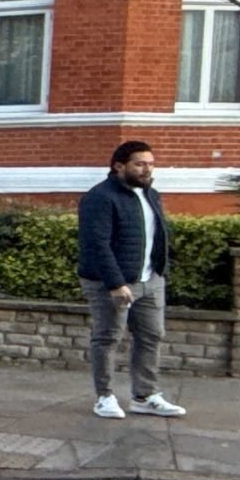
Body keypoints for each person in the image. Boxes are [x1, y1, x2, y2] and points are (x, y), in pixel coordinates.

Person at [76, 139, 187, 420]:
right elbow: (97, 244)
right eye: (139, 164)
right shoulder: (100, 197)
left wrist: (160, 271)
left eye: (150, 163)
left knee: (152, 336)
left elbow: (156, 236)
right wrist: (115, 283)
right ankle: (104, 397)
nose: (146, 169)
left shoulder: (151, 194)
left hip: (150, 279)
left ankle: (145, 396)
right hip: (111, 282)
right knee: (108, 337)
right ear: (119, 166)